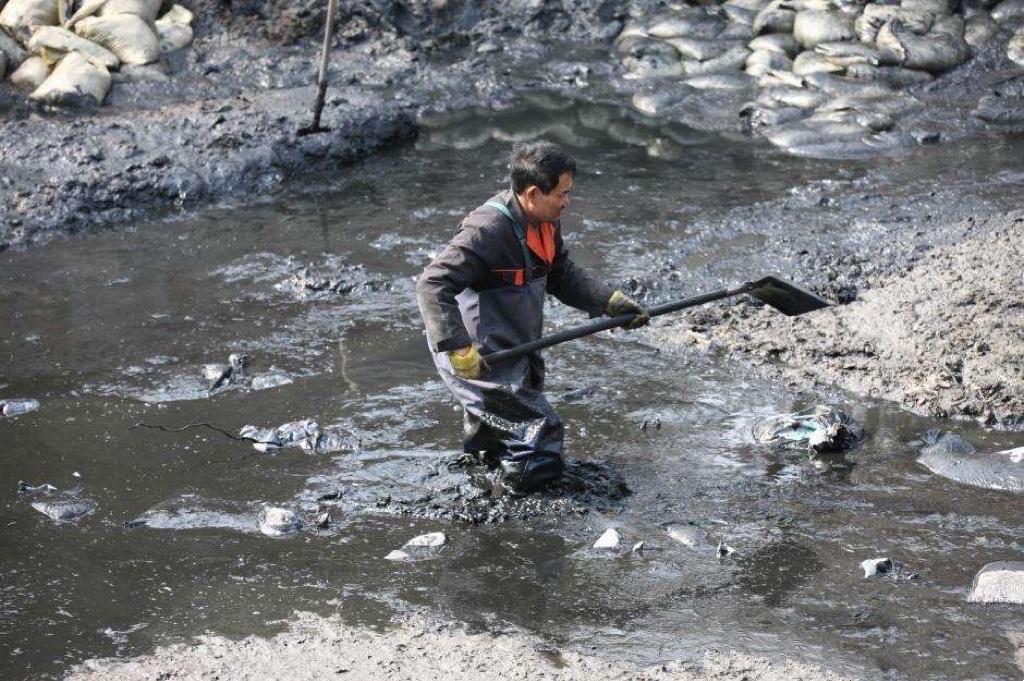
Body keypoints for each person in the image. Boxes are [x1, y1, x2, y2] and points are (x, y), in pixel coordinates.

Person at [416, 141, 649, 494]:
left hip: (515, 345)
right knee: (538, 429)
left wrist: (609, 302)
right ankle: (526, 512)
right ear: (532, 193)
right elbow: (432, 284)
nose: (567, 202)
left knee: (494, 434)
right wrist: (458, 347)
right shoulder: (487, 230)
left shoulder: (546, 221)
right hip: (477, 355)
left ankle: (486, 485)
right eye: (562, 194)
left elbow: (561, 275)